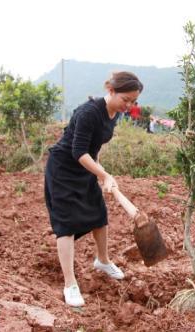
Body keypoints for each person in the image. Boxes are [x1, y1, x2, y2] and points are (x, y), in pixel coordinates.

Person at [44, 71, 143, 307]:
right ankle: (70, 284)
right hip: (63, 169)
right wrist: (103, 174)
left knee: (99, 214)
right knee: (65, 225)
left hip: (85, 167)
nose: (128, 106)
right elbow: (78, 151)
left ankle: (102, 260)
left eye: (133, 101)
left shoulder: (114, 113)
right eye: (125, 99)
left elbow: (93, 148)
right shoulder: (89, 112)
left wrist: (102, 172)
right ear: (111, 90)